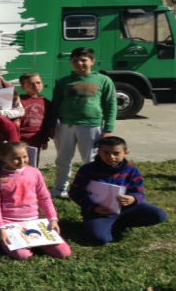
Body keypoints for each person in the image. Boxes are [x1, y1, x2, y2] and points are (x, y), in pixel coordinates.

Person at [68, 136, 167, 245]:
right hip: (100, 211)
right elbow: (75, 192)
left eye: (116, 153)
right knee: (99, 239)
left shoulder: (131, 170)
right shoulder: (87, 170)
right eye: (106, 153)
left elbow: (139, 191)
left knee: (159, 215)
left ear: (125, 153)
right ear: (99, 152)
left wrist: (133, 198)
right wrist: (93, 207)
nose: (111, 157)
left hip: (126, 209)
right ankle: (104, 225)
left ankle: (121, 223)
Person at [0, 142, 72, 260]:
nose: (22, 161)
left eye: (25, 157)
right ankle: (6, 239)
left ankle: (37, 243)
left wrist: (52, 219)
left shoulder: (34, 173)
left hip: (35, 221)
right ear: (3, 157)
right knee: (22, 255)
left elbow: (44, 197)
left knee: (64, 252)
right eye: (16, 158)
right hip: (10, 223)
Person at [50, 47, 117, 198]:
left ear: (92, 61)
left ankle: (93, 188)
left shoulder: (103, 80)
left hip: (91, 126)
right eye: (75, 61)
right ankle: (61, 188)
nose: (79, 63)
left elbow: (111, 105)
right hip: (65, 126)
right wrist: (51, 125)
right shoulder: (63, 82)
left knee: (91, 159)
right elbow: (55, 105)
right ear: (71, 62)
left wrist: (108, 129)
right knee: (63, 158)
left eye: (83, 60)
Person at [18, 72, 52, 166]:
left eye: (38, 82)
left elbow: (47, 123)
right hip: (19, 138)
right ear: (23, 87)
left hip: (36, 139)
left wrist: (44, 139)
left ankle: (32, 180)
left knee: (33, 164)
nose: (35, 85)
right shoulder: (19, 100)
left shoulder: (46, 103)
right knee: (18, 163)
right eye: (31, 84)